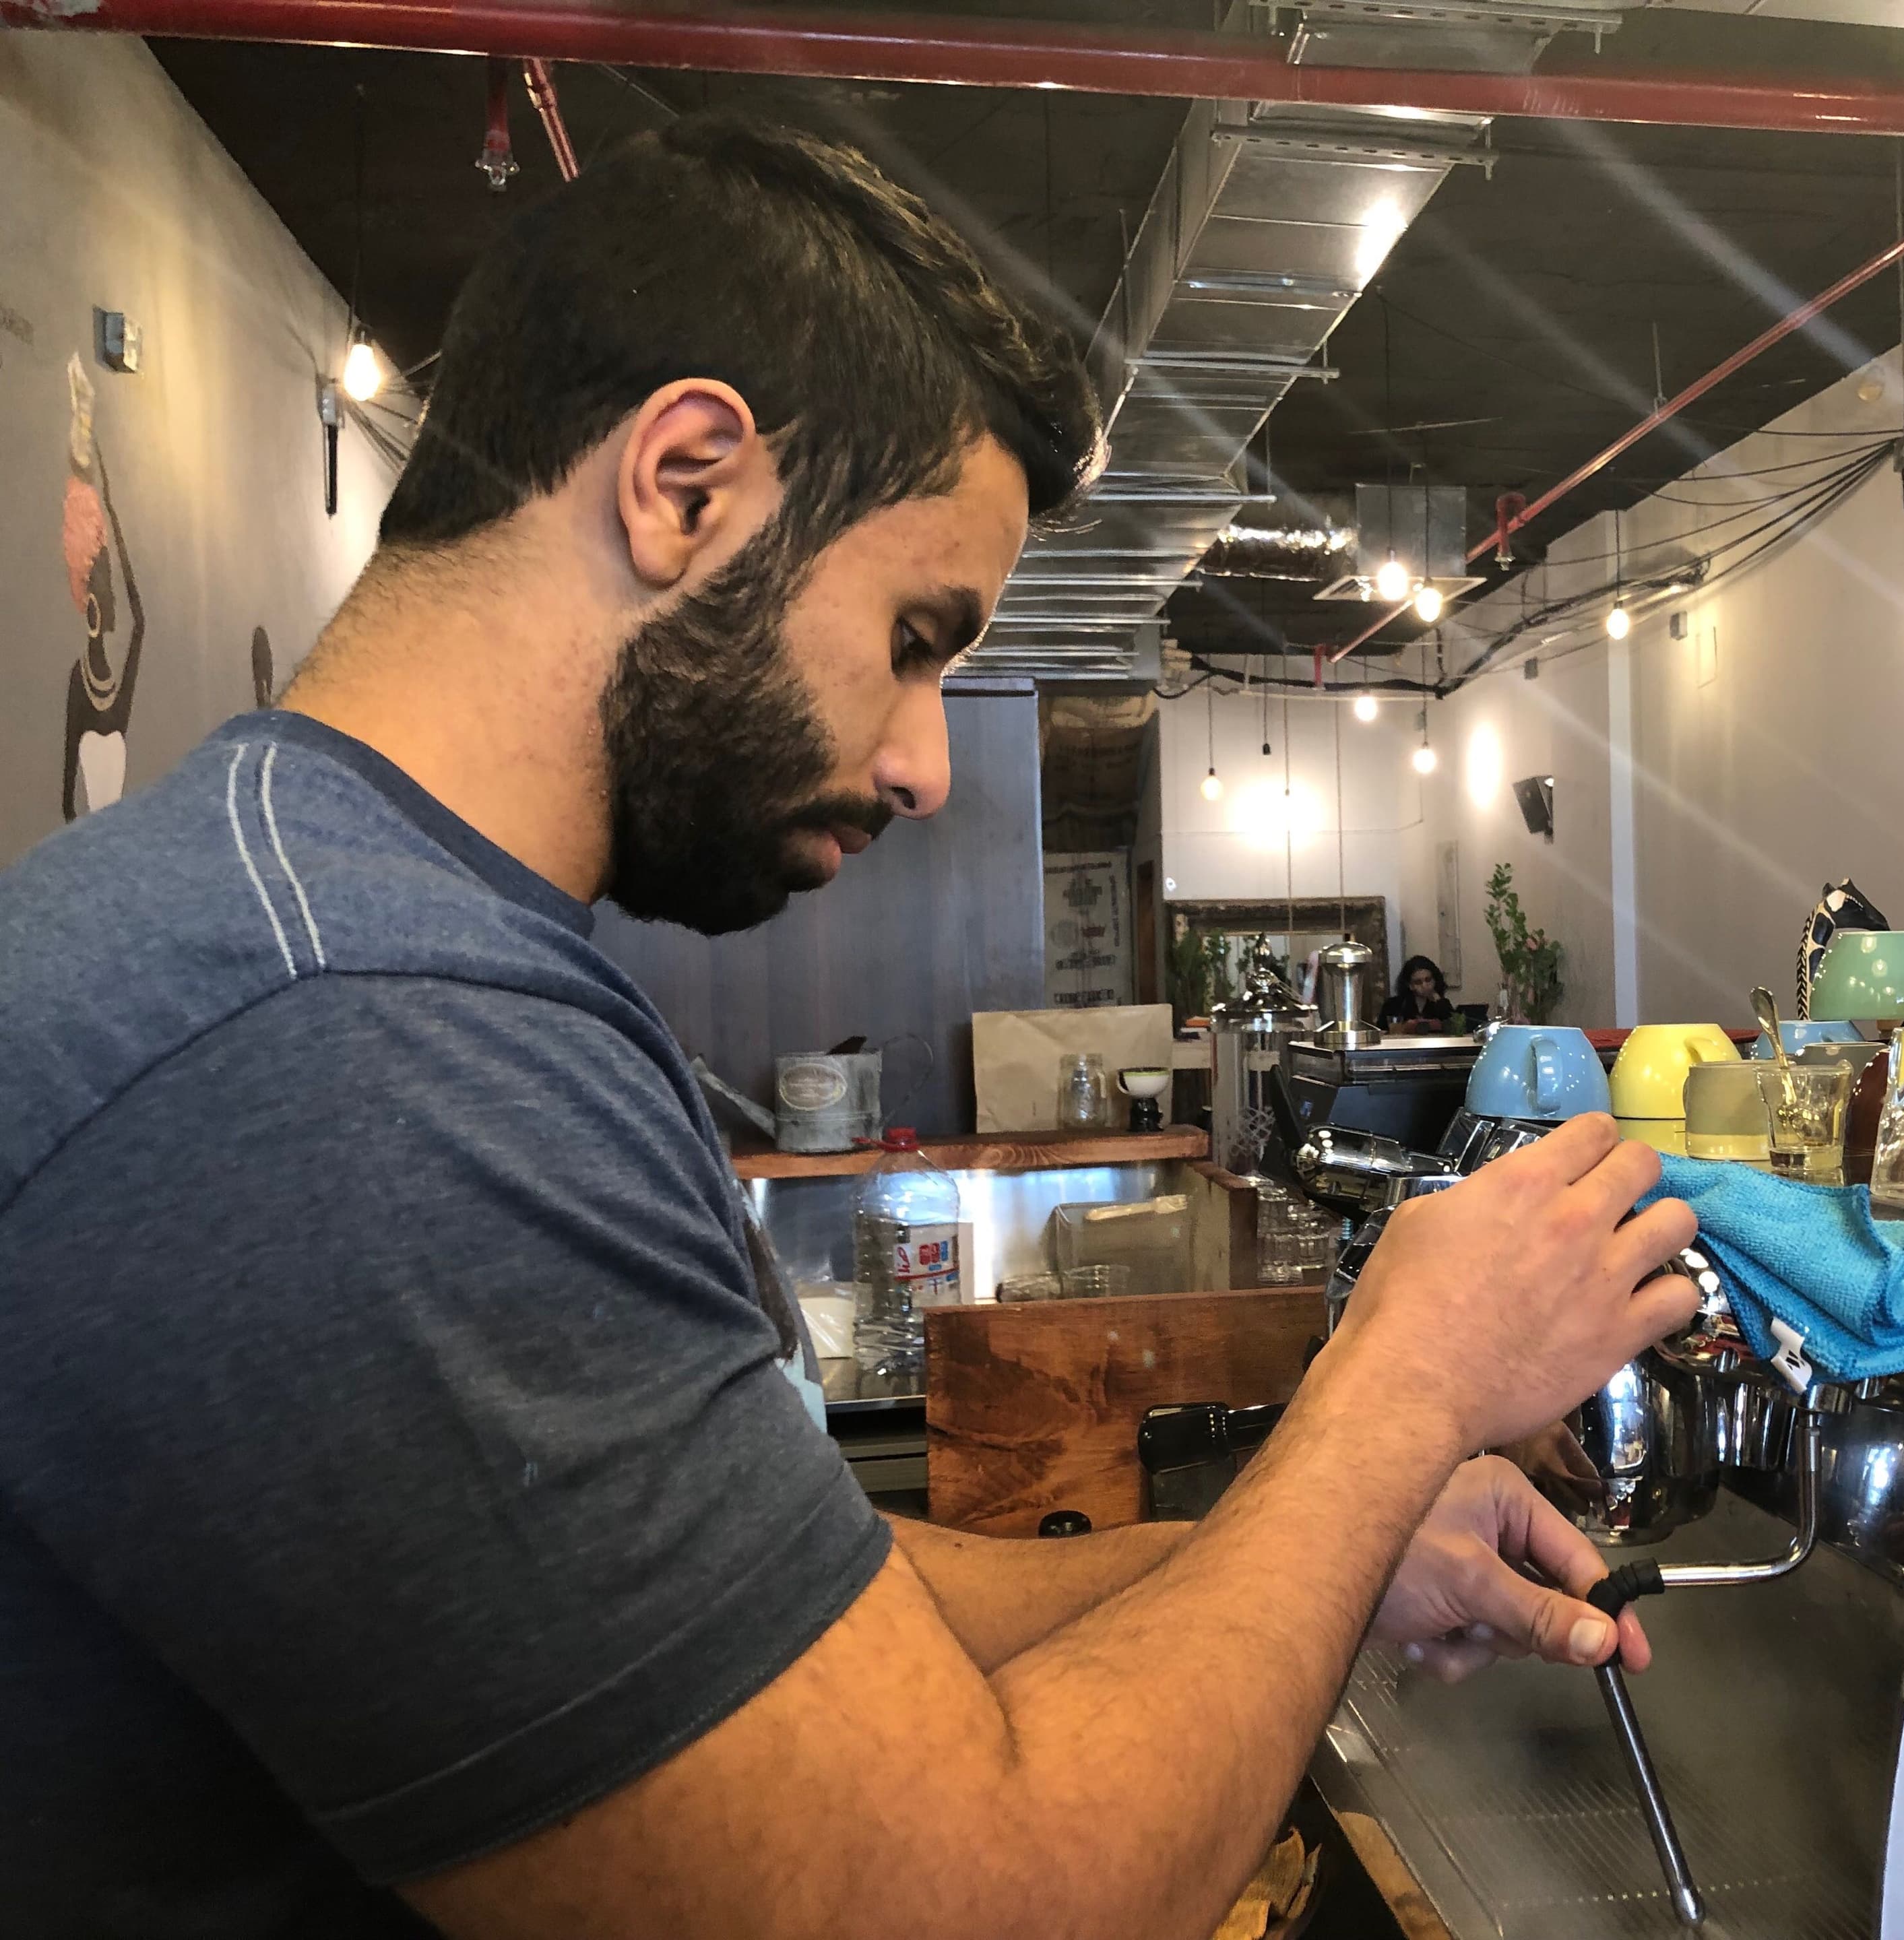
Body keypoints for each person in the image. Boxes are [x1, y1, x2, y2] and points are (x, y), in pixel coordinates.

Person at [0, 117, 1697, 1940]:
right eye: (913, 635)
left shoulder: (371, 937)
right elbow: (970, 1905)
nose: (921, 758)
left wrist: (1314, 1556)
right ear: (685, 483)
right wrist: (1401, 1383)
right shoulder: (350, 1050)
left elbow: (766, 1622)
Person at [1380, 952, 1456, 1034]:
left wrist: (1438, 1001)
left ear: (1435, 980)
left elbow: (1455, 1027)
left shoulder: (1442, 1004)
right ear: (1410, 985)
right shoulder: (1393, 1005)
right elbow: (1382, 1032)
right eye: (1418, 982)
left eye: (1428, 980)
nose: (1424, 985)